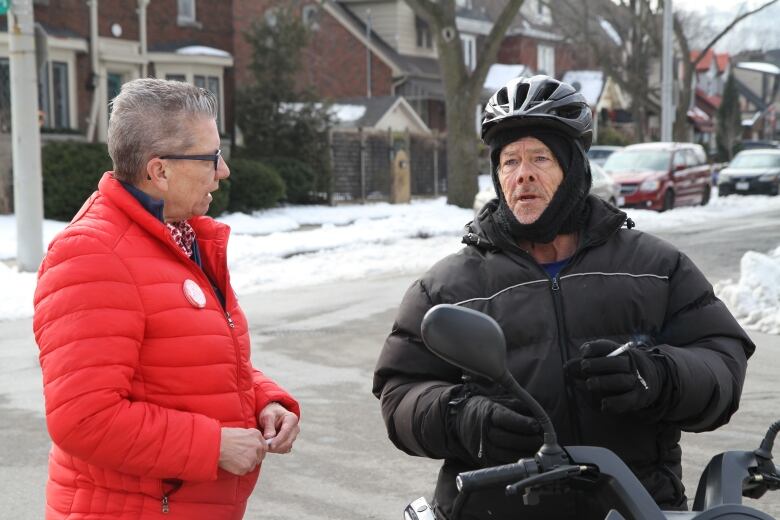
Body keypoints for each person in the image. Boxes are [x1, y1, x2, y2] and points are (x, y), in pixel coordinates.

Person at [373, 75, 753, 519]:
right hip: (492, 509)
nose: (523, 174)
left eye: (540, 157)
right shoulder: (447, 287)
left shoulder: (655, 267)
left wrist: (660, 375)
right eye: (509, 161)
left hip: (634, 507)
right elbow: (399, 392)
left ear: (574, 168)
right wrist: (461, 418)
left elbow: (722, 360)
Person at [33, 78, 300, 519]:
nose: (224, 170)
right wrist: (212, 445)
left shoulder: (181, 237)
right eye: (211, 157)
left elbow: (195, 364)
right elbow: (83, 419)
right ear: (159, 171)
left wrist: (265, 402)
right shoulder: (94, 254)